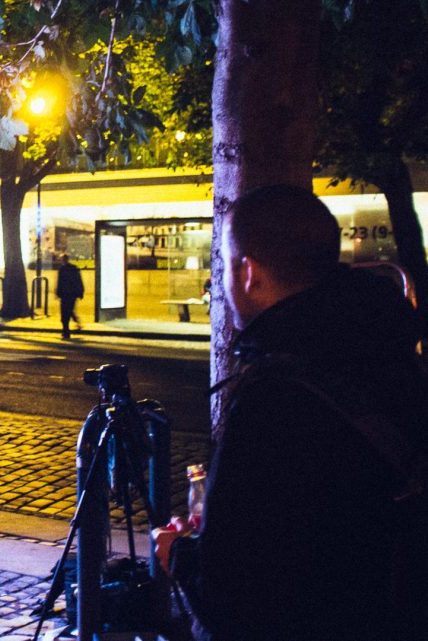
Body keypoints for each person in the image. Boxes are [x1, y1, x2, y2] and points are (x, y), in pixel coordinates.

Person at [152, 184, 427, 641]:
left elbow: (237, 596)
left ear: (247, 271)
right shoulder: (397, 357)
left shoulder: (273, 401)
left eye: (222, 265)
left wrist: (178, 553)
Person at [55, 253, 84, 339]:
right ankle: (68, 329)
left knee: (65, 313)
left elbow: (59, 283)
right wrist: (80, 292)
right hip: (72, 294)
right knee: (70, 311)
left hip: (65, 294)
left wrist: (58, 293)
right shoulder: (74, 268)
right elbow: (79, 281)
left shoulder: (62, 269)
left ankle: (66, 331)